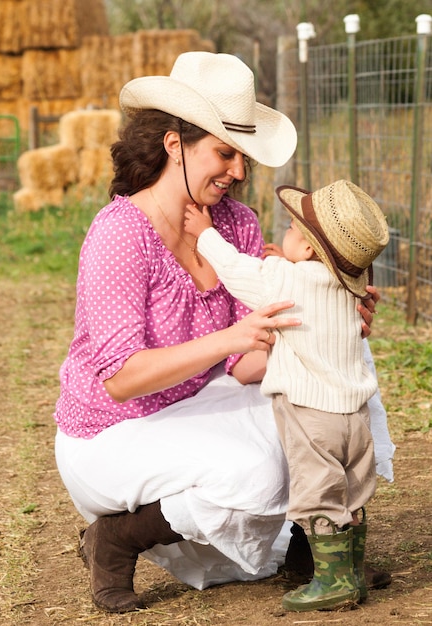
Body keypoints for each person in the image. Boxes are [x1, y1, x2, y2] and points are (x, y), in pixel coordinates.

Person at [53, 51, 394, 615]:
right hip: (115, 429)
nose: (238, 171)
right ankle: (114, 538)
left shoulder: (235, 222)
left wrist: (328, 326)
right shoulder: (121, 236)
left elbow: (248, 364)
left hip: (200, 399)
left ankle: (318, 553)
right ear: (173, 144)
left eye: (243, 158)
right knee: (258, 472)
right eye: (225, 153)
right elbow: (121, 380)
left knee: (347, 392)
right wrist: (231, 338)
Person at [184, 178, 390, 611]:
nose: (286, 233)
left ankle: (331, 584)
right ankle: (352, 574)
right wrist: (288, 263)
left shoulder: (283, 280)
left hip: (311, 417)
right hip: (355, 418)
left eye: (294, 230)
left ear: (311, 250)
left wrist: (205, 234)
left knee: (318, 496)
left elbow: (241, 273)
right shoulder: (346, 288)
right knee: (350, 494)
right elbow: (302, 279)